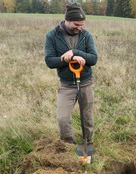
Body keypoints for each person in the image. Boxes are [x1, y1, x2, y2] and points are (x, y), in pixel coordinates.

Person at [45, 2, 98, 146]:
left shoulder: (86, 36)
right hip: (66, 85)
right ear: (67, 20)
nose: (80, 28)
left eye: (82, 24)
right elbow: (49, 61)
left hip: (85, 82)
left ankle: (88, 143)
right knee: (62, 119)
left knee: (86, 117)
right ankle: (68, 145)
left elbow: (93, 58)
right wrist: (68, 58)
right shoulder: (53, 36)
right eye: (76, 24)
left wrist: (75, 52)